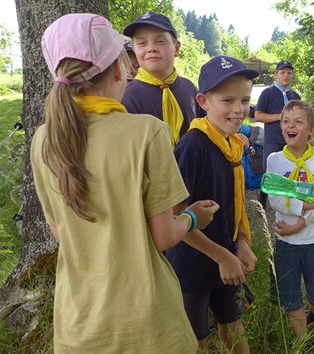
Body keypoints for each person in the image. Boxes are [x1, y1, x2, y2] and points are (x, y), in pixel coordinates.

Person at [32, 13, 220, 353]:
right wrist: (193, 217)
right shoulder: (146, 132)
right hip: (148, 326)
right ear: (120, 69)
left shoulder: (43, 139)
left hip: (78, 326)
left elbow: (63, 233)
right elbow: (163, 237)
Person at [166, 55, 259, 353]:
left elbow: (235, 206)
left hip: (228, 257)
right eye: (227, 100)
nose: (238, 109)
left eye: (244, 100)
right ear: (203, 101)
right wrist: (222, 256)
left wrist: (241, 242)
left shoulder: (234, 143)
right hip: (193, 264)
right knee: (196, 340)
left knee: (233, 328)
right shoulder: (193, 146)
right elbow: (176, 215)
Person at [266, 100, 314, 337]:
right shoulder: (274, 160)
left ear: (311, 129)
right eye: (285, 121)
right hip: (286, 242)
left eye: (298, 121)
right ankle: (303, 343)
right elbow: (274, 199)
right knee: (289, 296)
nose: (289, 126)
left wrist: (299, 224)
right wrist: (310, 202)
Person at [121, 11, 202, 147]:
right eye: (142, 43)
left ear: (176, 48)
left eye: (160, 41)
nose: (151, 48)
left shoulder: (190, 89)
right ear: (134, 50)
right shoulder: (127, 96)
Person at [255, 60, 301, 209]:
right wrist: (280, 117)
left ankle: (288, 201)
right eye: (282, 73)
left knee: (290, 168)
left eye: (289, 73)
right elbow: (258, 115)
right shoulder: (268, 93)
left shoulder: (295, 95)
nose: (286, 76)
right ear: (276, 75)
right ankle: (262, 200)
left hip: (292, 139)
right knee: (269, 169)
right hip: (273, 137)